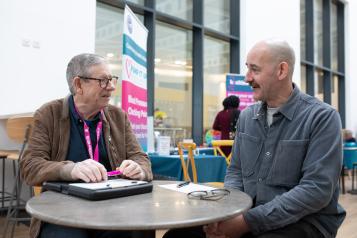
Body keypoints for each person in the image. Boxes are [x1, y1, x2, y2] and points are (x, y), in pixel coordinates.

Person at [164, 39, 345, 238]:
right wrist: (228, 214)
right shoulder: (247, 117)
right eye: (247, 69)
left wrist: (245, 223)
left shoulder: (322, 118)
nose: (247, 78)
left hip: (306, 222)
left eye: (255, 70)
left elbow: (315, 190)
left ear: (281, 71)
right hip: (249, 214)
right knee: (176, 236)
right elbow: (236, 171)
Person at [20, 53, 153, 238]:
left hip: (115, 209)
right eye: (103, 81)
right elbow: (29, 167)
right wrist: (71, 169)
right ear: (78, 84)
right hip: (63, 211)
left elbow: (141, 158)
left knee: (137, 232)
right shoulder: (48, 114)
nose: (112, 87)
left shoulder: (118, 116)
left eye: (112, 79)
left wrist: (139, 169)